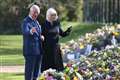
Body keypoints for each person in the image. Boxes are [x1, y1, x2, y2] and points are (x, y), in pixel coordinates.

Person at [21, 5, 44, 80]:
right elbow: (25, 32)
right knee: (29, 73)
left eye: (37, 13)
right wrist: (30, 31)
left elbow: (37, 34)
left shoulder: (36, 22)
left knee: (36, 74)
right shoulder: (25, 21)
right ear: (30, 11)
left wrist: (41, 37)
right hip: (30, 52)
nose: (36, 14)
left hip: (38, 51)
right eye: (34, 12)